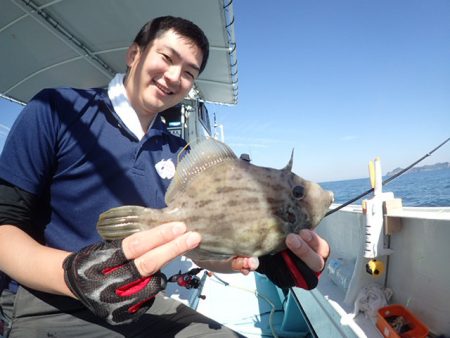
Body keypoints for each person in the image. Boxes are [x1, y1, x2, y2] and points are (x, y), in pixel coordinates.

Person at [0, 16, 330, 337]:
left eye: (189, 72)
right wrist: (72, 276)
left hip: (138, 303)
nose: (174, 77)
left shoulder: (179, 151)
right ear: (134, 54)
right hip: (44, 301)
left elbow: (193, 245)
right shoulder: (56, 109)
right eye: (167, 58)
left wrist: (258, 256)